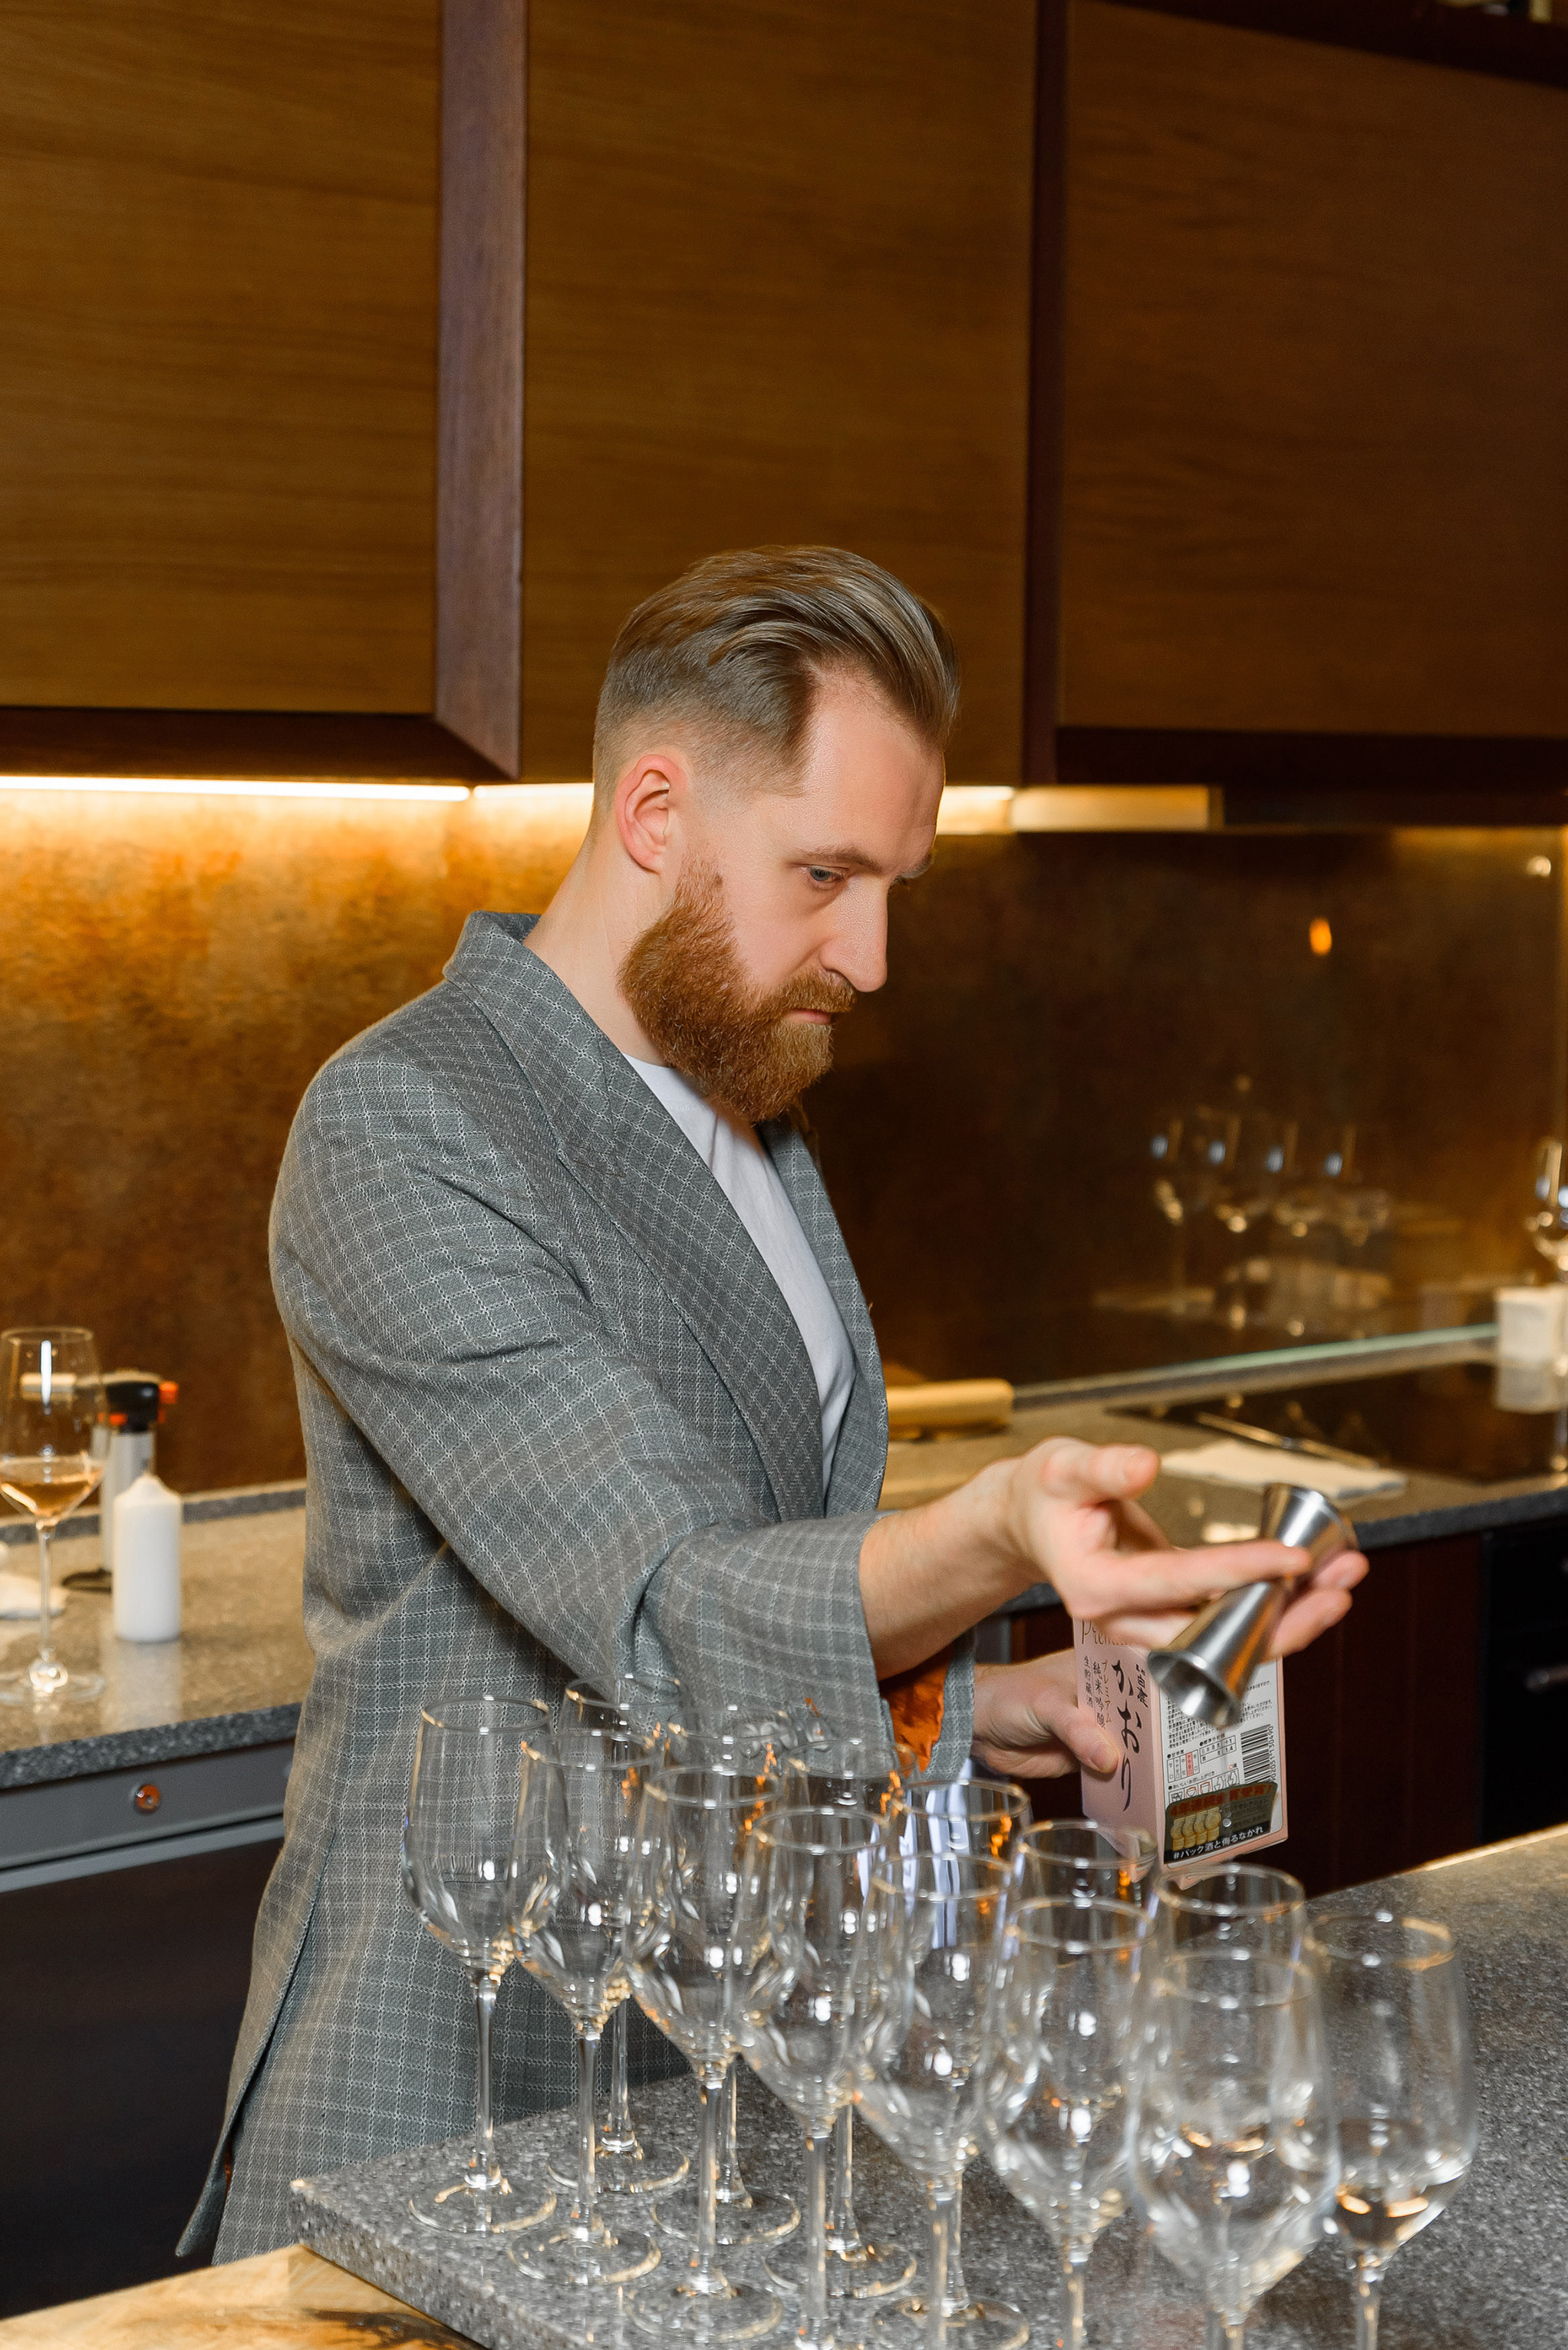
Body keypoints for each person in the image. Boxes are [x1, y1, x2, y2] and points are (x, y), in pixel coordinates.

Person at [185, 546, 1365, 2260]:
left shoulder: (745, 1104)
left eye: (892, 884)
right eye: (824, 873)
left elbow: (759, 1569)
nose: (869, 955)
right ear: (655, 812)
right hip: (463, 2069)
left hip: (717, 2055)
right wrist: (988, 1530)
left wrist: (962, 1706)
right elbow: (663, 1600)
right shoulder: (406, 1125)